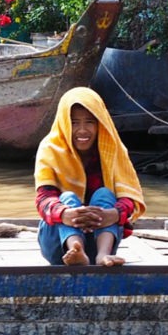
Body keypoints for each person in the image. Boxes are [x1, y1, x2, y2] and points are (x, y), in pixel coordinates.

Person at [34, 87, 146, 267]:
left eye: (89, 122)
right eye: (74, 123)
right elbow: (43, 199)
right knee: (67, 197)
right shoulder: (50, 148)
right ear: (65, 123)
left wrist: (114, 214)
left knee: (104, 194)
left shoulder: (113, 149)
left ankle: (103, 255)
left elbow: (130, 199)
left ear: (100, 123)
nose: (82, 130)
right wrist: (65, 214)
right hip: (58, 245)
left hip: (100, 239)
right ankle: (76, 250)